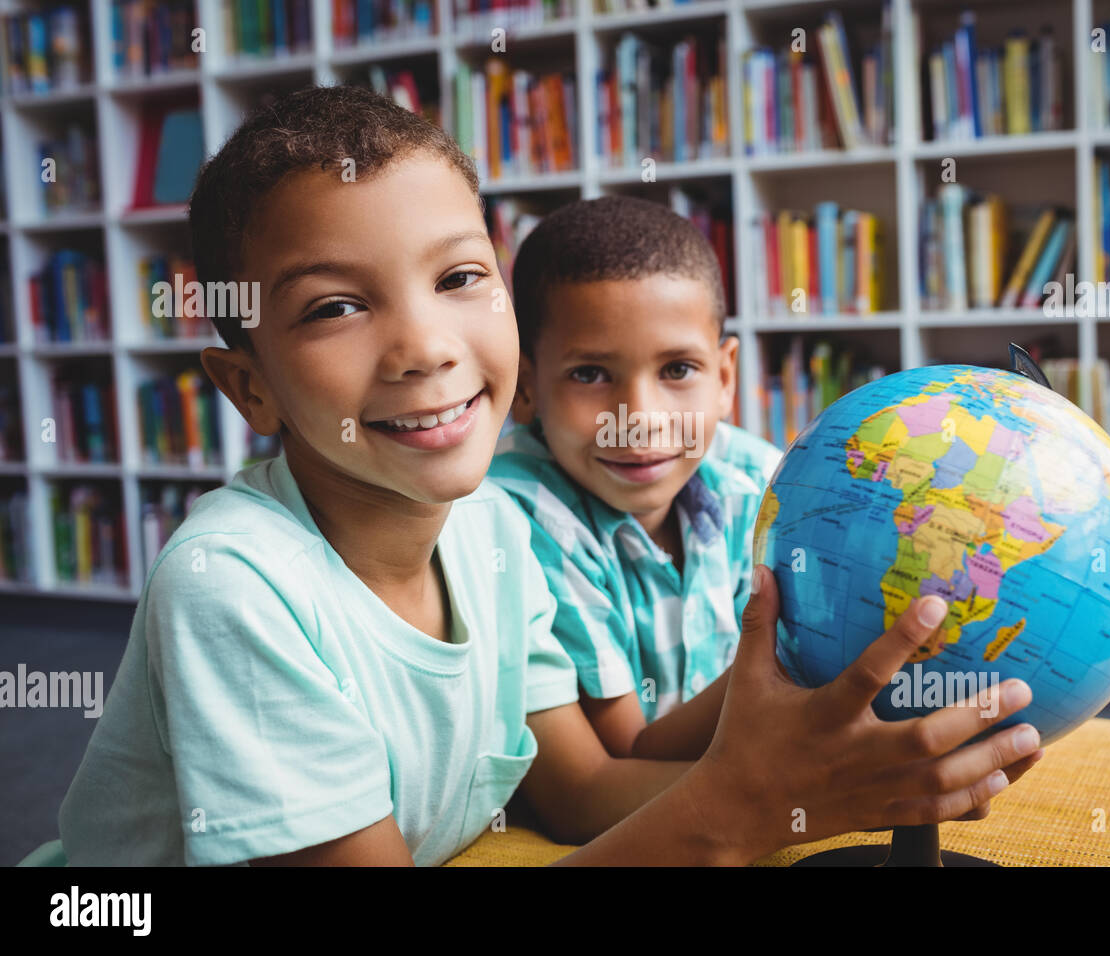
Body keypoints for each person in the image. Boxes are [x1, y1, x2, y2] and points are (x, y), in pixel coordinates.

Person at [57, 86, 1042, 866]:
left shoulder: (488, 530)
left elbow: (586, 783)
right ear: (247, 386)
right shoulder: (234, 585)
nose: (424, 347)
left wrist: (792, 750)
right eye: (333, 308)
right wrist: (743, 807)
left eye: (458, 277)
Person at [490, 195, 782, 760]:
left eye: (678, 369)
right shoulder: (522, 517)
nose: (640, 418)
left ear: (724, 377)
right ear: (525, 387)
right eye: (591, 374)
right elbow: (631, 755)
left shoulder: (761, 483)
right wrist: (782, 663)